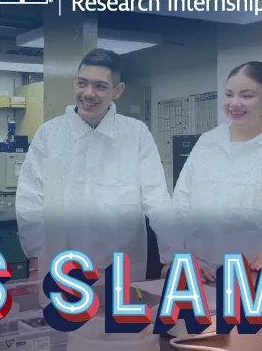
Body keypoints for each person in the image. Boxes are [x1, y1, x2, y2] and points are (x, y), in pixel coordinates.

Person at [16, 48, 170, 283]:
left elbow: (157, 199)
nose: (88, 93)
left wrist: (174, 256)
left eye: (100, 86)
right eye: (82, 83)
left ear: (117, 91)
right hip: (63, 265)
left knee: (120, 318)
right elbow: (31, 201)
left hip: (122, 266)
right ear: (74, 83)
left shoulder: (135, 134)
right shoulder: (51, 134)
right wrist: (36, 261)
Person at [164, 61, 262, 281]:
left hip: (259, 275)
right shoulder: (208, 143)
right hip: (201, 274)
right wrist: (180, 257)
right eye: (228, 95)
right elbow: (180, 208)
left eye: (246, 96)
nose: (235, 104)